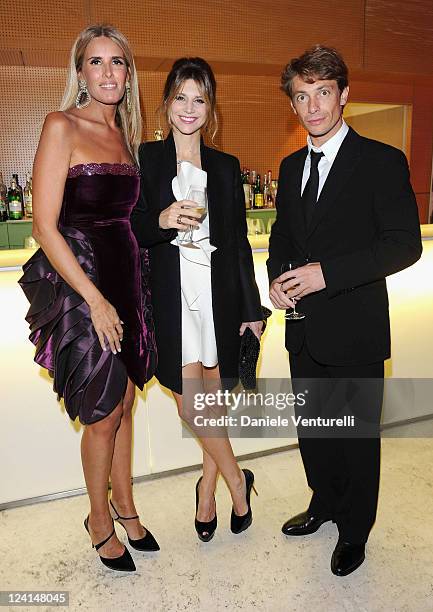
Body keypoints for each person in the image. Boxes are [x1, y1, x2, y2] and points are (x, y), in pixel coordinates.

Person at [267, 45, 422, 576]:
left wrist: (324, 275)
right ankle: (325, 504)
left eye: (322, 93)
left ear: (344, 96)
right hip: (303, 327)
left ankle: (355, 531)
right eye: (301, 96)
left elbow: (404, 245)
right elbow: (284, 236)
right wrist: (277, 282)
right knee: (315, 429)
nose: (312, 107)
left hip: (354, 326)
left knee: (355, 436)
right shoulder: (289, 168)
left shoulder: (380, 161)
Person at [19, 24, 159, 573]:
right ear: (79, 72)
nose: (107, 72)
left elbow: (128, 220)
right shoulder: (62, 125)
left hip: (127, 280)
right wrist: (95, 300)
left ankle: (125, 506)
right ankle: (98, 521)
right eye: (95, 62)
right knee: (102, 413)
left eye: (117, 63)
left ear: (128, 73)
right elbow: (44, 226)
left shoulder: (127, 136)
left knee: (124, 405)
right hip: (84, 284)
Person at [131, 57, 263, 542]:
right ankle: (238, 482)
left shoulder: (227, 168)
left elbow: (239, 245)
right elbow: (132, 228)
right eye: (181, 98)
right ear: (166, 104)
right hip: (172, 301)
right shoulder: (146, 159)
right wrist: (162, 220)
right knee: (193, 408)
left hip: (218, 299)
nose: (189, 108)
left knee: (214, 405)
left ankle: (206, 492)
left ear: (210, 108)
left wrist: (252, 312)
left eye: (199, 99)